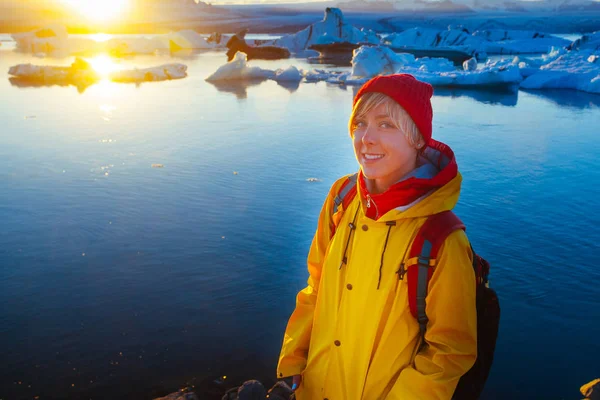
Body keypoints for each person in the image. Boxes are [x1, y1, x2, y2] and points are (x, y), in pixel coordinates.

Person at [277, 74, 478, 399]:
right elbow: (316, 286)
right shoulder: (342, 198)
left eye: (386, 124)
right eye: (360, 123)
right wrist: (293, 362)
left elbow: (449, 353)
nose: (366, 138)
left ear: (416, 138)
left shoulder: (440, 240)